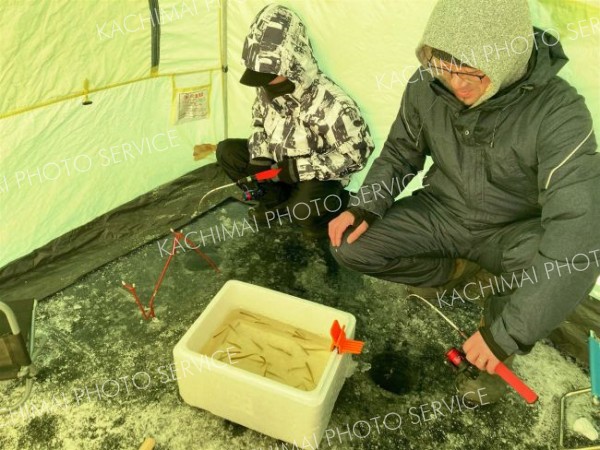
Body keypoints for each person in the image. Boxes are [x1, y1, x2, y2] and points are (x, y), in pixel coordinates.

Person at [329, 0, 600, 403]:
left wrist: (505, 334)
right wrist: (365, 204)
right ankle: (455, 271)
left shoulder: (560, 111)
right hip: (443, 212)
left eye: (473, 71)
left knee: (550, 267)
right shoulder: (427, 84)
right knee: (349, 245)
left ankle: (492, 347)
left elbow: (578, 235)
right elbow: (401, 151)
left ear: (508, 58)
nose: (458, 84)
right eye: (445, 67)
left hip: (514, 231)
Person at [216, 4, 374, 237]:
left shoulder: (332, 103)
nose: (264, 83)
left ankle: (326, 210)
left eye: (269, 75)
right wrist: (260, 154)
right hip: (278, 168)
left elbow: (357, 154)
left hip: (317, 177)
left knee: (305, 212)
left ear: (291, 64)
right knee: (227, 151)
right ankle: (275, 205)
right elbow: (259, 120)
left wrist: (299, 169)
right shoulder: (266, 89)